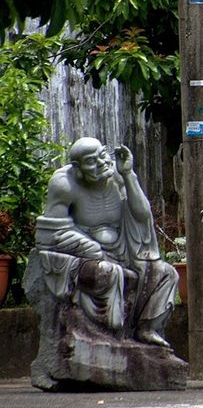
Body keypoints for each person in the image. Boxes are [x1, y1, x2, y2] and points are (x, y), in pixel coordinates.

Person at [34, 138, 176, 347]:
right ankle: (105, 339)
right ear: (77, 167)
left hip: (124, 249)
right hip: (87, 254)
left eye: (103, 155)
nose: (101, 163)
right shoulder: (64, 183)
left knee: (166, 273)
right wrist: (89, 247)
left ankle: (145, 328)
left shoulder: (118, 175)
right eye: (92, 161)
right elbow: (50, 233)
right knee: (107, 273)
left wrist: (129, 174)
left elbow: (142, 215)